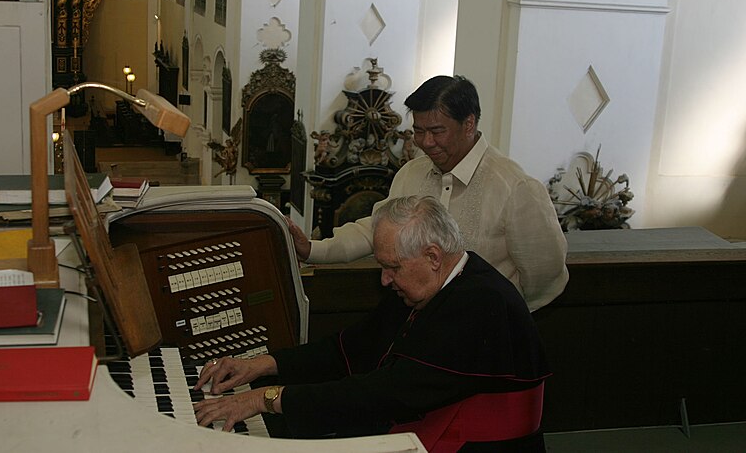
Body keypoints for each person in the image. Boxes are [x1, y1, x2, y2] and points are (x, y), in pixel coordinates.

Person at [194, 196, 551, 451]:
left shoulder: (480, 302)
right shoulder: (430, 285)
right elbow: (348, 347)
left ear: (432, 256)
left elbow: (381, 394)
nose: (384, 279)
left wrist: (266, 399)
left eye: (392, 267)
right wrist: (261, 366)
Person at [287, 75, 568, 311]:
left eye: (436, 131)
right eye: (419, 131)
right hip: (418, 329)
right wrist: (313, 249)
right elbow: (374, 231)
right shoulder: (411, 173)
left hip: (487, 338)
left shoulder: (516, 188)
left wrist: (500, 315)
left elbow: (545, 276)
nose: (426, 142)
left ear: (469, 124)